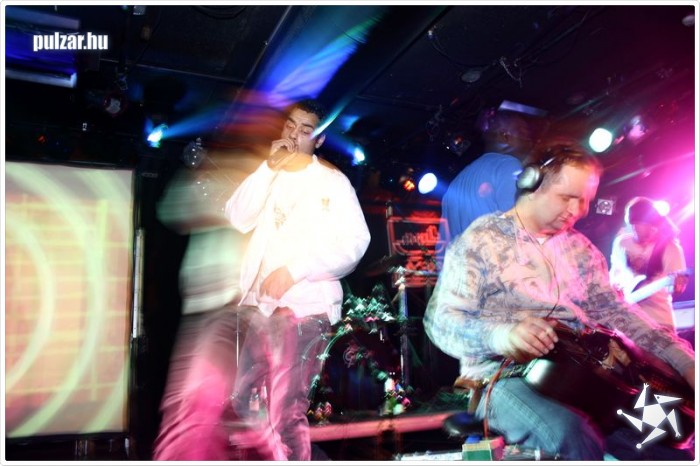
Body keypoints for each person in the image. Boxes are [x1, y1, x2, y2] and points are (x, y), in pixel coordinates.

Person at [423, 142, 695, 460]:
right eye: (567, 197)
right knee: (573, 435)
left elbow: (617, 311)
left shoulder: (579, 249)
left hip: (585, 377)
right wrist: (500, 335)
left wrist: (685, 362)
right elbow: (441, 320)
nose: (579, 210)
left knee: (671, 439)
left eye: (585, 200)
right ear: (532, 184)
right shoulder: (481, 240)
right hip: (500, 379)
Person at [224, 98, 371, 460]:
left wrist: (294, 270)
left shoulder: (333, 182)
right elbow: (237, 217)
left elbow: (355, 244)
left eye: (306, 130)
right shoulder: (270, 174)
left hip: (306, 309)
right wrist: (267, 167)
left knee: (285, 410)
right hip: (263, 309)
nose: (294, 134)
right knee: (243, 400)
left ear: (319, 140)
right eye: (290, 125)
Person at [152, 163, 246, 460]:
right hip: (200, 308)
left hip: (228, 307)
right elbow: (170, 211)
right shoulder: (209, 176)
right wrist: (193, 175)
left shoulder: (250, 177)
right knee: (193, 405)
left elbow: (248, 219)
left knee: (195, 404)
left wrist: (216, 206)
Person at [439, 110, 533, 243]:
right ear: (505, 136)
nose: (530, 139)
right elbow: (521, 226)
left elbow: (443, 244)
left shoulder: (455, 183)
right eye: (523, 132)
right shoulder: (508, 165)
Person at [609, 196, 688, 333]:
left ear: (652, 225)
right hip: (627, 319)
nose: (634, 228)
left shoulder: (669, 248)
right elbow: (615, 274)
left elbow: (676, 287)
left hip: (658, 320)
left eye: (639, 224)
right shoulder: (622, 243)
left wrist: (678, 284)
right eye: (632, 224)